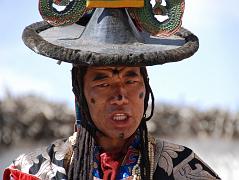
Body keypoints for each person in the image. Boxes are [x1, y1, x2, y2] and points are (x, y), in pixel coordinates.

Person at [4, 1, 220, 179]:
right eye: (103, 83)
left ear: (145, 89)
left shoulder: (182, 168)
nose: (120, 96)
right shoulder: (38, 171)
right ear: (81, 94)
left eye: (131, 80)